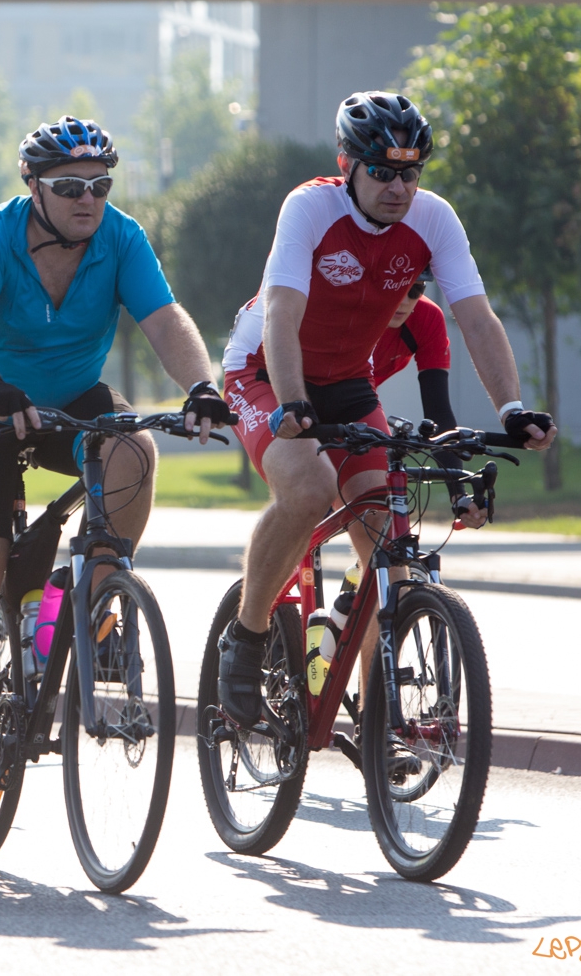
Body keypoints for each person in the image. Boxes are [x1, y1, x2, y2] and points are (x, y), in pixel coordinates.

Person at [0, 116, 233, 822]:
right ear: (33, 186)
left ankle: (99, 589)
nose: (86, 199)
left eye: (98, 185)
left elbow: (166, 319)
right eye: (68, 187)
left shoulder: (120, 237)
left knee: (133, 448)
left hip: (69, 399)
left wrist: (200, 386)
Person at [216, 91, 555, 729]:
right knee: (310, 487)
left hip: (346, 380)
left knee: (385, 536)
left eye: (410, 172)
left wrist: (511, 408)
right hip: (265, 370)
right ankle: (249, 635)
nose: (398, 187)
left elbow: (475, 318)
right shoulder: (310, 207)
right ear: (347, 164)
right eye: (381, 171)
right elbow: (283, 314)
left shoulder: (433, 219)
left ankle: (380, 719)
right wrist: (292, 403)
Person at [370, 268, 486, 529]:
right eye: (397, 288)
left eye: (416, 290)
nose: (404, 301)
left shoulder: (427, 317)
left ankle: (373, 568)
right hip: (296, 390)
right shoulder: (354, 308)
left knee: (377, 507)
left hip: (358, 393)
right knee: (312, 496)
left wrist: (459, 495)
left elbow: (439, 414)